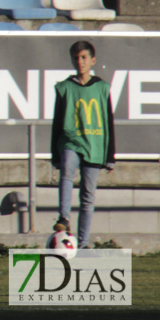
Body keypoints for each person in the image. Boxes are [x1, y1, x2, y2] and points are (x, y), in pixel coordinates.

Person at [50, 40, 116, 249]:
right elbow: (57, 122)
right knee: (67, 171)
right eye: (76, 58)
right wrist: (55, 153)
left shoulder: (102, 88)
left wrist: (110, 155)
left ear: (92, 60)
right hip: (71, 141)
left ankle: (83, 243)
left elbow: (108, 122)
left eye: (84, 57)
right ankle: (64, 218)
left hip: (94, 145)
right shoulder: (65, 88)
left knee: (88, 196)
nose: (80, 62)